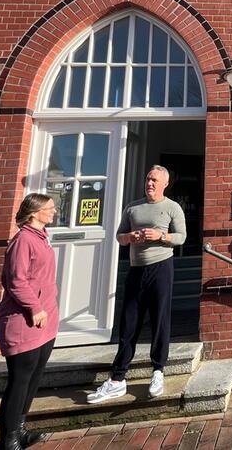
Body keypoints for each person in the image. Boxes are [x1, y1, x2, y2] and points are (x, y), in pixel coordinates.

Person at [88, 165, 186, 403]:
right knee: (129, 321)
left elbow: (182, 237)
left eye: (154, 180)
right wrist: (130, 237)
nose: (149, 183)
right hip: (135, 270)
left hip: (161, 268)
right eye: (147, 179)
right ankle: (117, 378)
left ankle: (158, 371)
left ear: (165, 183)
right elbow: (119, 236)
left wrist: (161, 236)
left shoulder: (172, 208)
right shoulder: (133, 207)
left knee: (160, 320)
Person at [0, 194, 59, 450]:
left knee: (34, 377)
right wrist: (35, 308)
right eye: (49, 208)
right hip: (25, 321)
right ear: (34, 213)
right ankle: (9, 438)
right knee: (19, 380)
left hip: (45, 322)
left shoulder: (41, 238)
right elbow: (15, 281)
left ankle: (20, 429)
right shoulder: (22, 240)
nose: (54, 212)